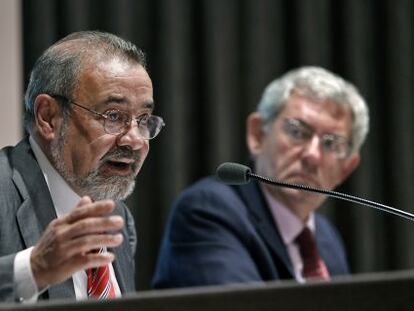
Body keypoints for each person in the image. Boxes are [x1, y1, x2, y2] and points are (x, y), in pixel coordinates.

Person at [152, 66, 369, 288]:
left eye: (332, 144)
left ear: (346, 168)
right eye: (297, 132)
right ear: (257, 134)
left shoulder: (327, 239)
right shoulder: (209, 211)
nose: (312, 155)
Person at [0, 31, 164, 302]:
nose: (135, 140)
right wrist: (34, 269)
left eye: (144, 119)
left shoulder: (118, 219)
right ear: (48, 117)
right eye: (113, 116)